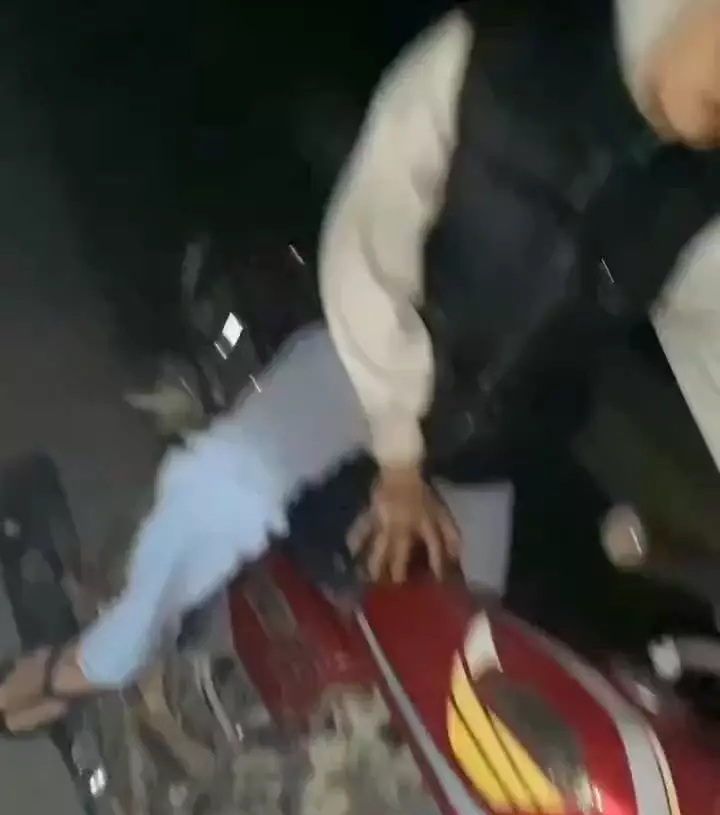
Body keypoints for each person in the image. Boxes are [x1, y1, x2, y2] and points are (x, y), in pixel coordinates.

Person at [1, 0, 720, 733]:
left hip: (500, 447)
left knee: (461, 689)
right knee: (222, 487)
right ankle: (92, 662)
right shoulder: (500, 54)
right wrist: (400, 456)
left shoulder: (694, 202)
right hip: (370, 365)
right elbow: (371, 244)